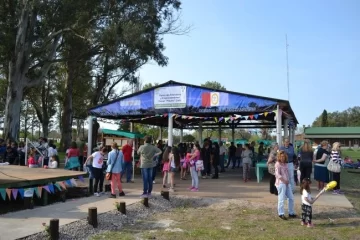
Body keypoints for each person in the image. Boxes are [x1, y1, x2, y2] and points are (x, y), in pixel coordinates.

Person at [275, 150, 296, 220]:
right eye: (281, 156)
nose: (282, 158)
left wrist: (288, 181)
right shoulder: (278, 164)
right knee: (281, 199)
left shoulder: (285, 164)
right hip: (281, 183)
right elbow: (277, 174)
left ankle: (291, 212)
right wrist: (284, 180)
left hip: (287, 183)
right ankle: (281, 213)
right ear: (279, 157)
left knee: (291, 198)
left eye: (283, 156)